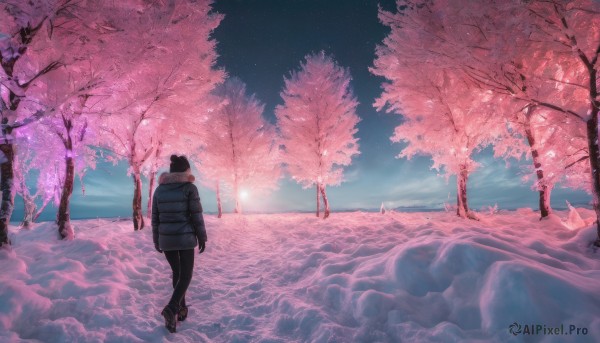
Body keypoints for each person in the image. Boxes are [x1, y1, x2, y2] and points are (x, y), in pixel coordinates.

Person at [152, 154, 207, 333]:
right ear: (186, 171)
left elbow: (155, 219)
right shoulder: (189, 188)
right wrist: (202, 236)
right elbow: (196, 216)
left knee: (177, 273)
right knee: (186, 275)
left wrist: (157, 240)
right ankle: (172, 308)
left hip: (166, 239)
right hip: (185, 239)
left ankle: (180, 311)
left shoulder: (159, 190)